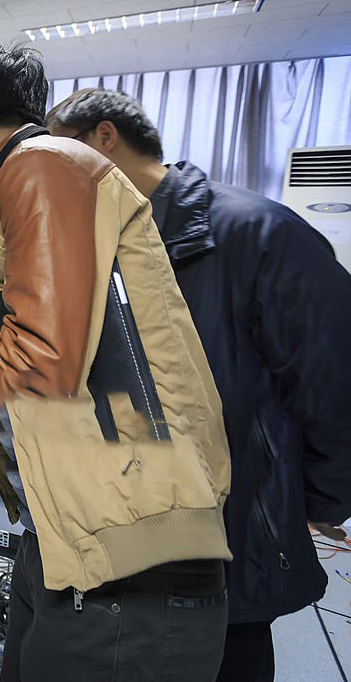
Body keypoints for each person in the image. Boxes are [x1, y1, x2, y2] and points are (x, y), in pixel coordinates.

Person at [0, 43, 232, 681]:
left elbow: (41, 359)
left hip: (129, 574)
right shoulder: (20, 188)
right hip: (69, 547)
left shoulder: (44, 168)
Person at [45, 88, 351, 682]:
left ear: (103, 141)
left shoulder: (257, 236)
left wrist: (310, 501)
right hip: (140, 552)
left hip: (230, 548)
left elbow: (335, 386)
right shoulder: (112, 246)